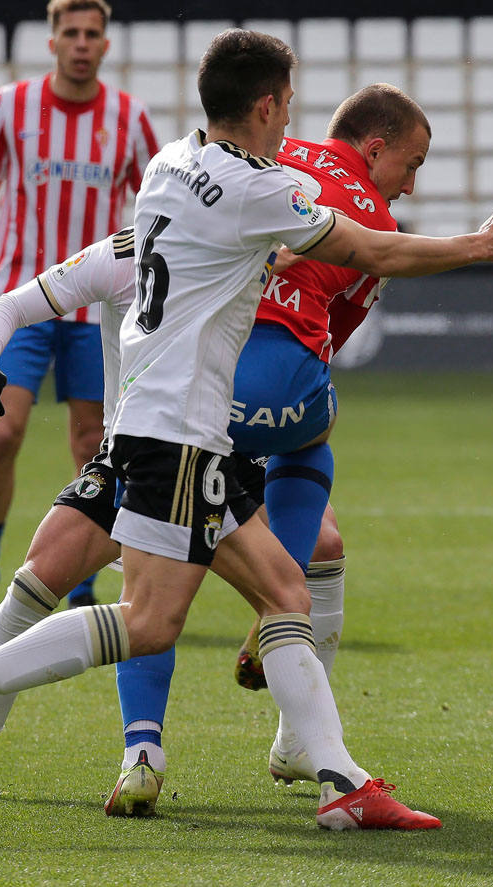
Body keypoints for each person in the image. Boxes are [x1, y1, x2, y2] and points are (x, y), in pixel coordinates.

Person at [0, 29, 493, 831]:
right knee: (148, 619)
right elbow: (369, 249)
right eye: (287, 103)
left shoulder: (168, 166)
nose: (292, 120)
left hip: (185, 434)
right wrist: (479, 244)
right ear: (265, 104)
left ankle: (340, 783)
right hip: (175, 433)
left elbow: (163, 265)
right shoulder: (261, 191)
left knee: (287, 590)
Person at [111, 83, 434, 813]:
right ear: (374, 150)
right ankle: (289, 696)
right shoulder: (370, 216)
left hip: (156, 394)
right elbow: (324, 341)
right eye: (409, 165)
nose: (409, 184)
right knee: (311, 447)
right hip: (243, 397)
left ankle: (141, 750)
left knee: (124, 578)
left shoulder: (241, 158)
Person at [0, 0, 158, 630]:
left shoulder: (129, 118)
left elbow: (158, 201)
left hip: (97, 309)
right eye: (71, 32)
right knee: (4, 432)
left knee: (92, 445)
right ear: (52, 41)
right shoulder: (11, 107)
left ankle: (82, 584)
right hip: (27, 299)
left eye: (92, 33)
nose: (81, 43)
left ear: (105, 43)